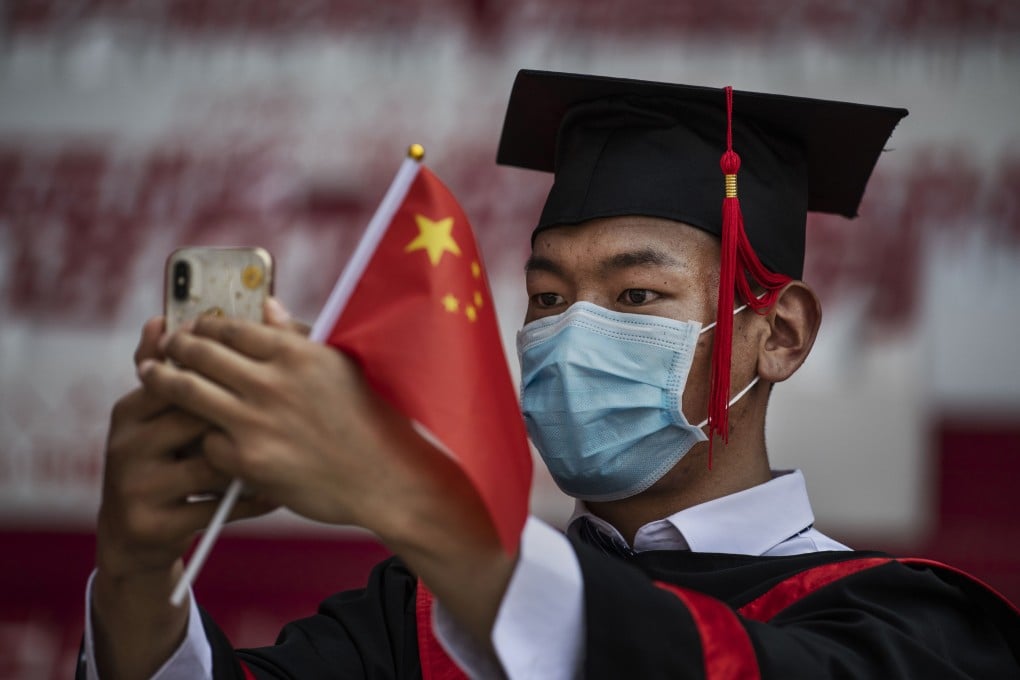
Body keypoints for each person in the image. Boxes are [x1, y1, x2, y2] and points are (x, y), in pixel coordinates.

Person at [80, 70, 1019, 679]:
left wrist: (404, 488)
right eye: (547, 297)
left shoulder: (908, 628)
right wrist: (135, 572)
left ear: (779, 334)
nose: (572, 335)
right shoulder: (416, 611)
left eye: (637, 294)